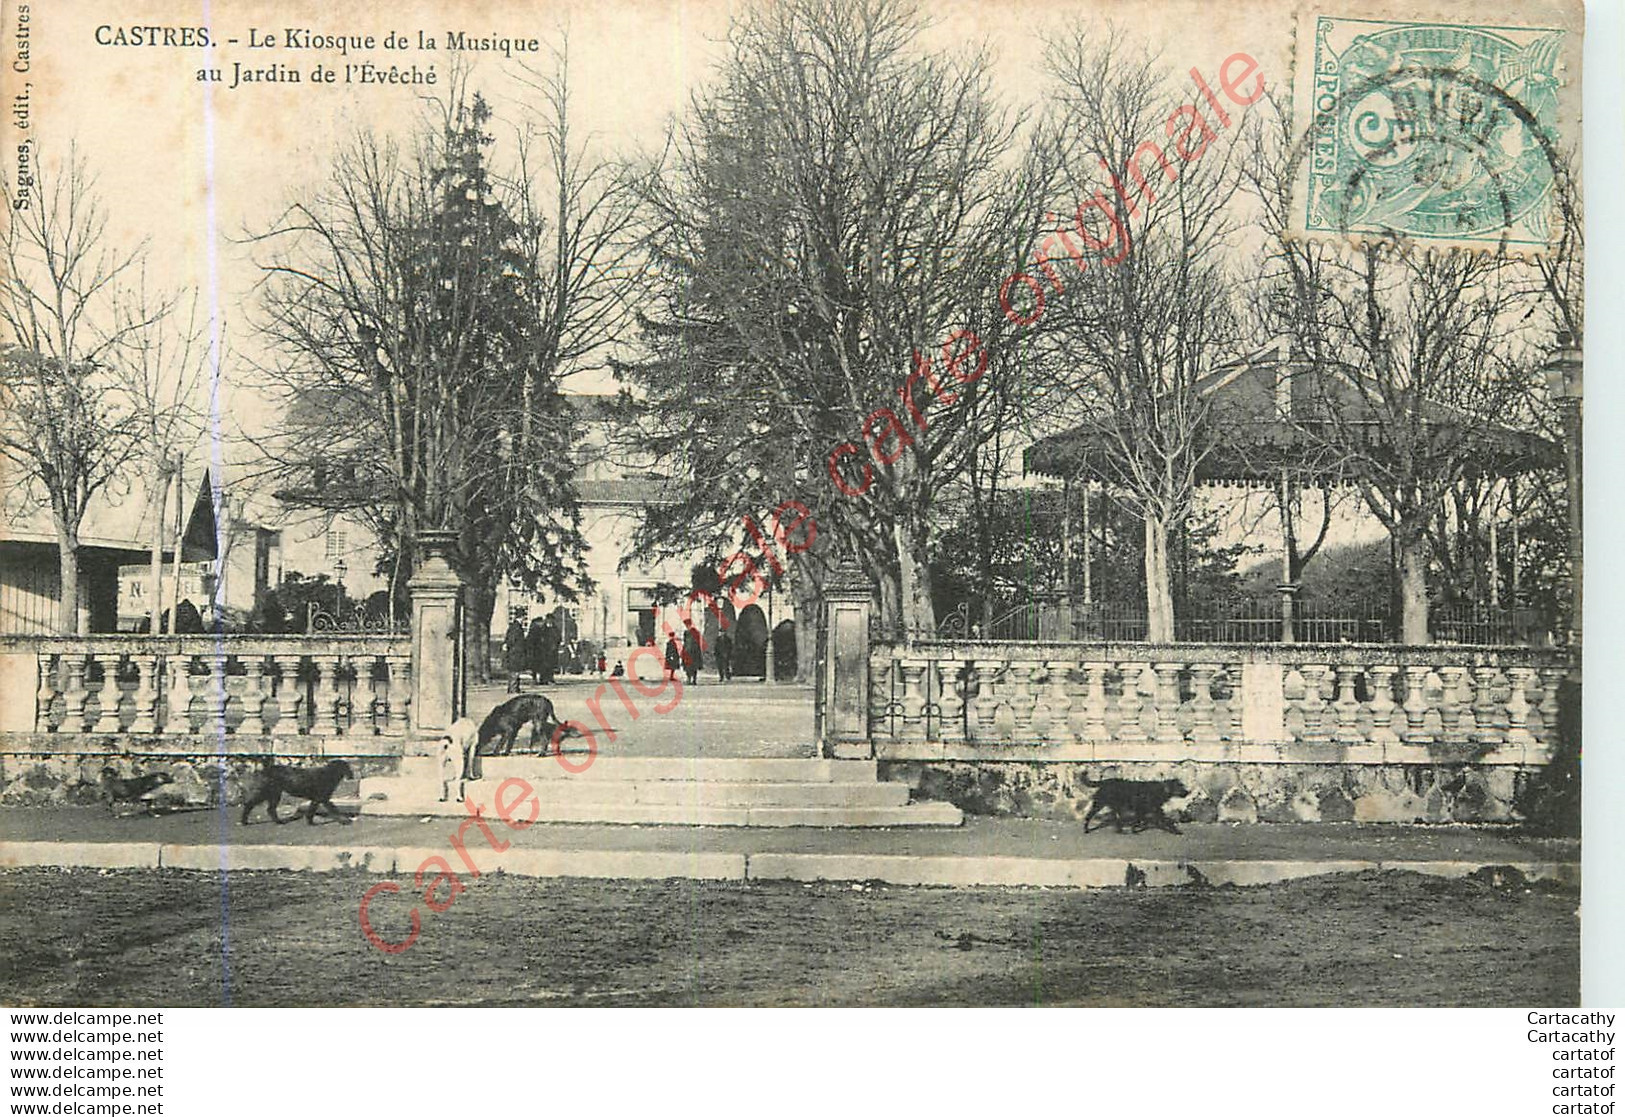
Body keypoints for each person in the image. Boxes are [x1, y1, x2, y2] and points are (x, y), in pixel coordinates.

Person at [502, 619, 527, 693]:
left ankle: (513, 688)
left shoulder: (514, 626)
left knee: (514, 670)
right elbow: (512, 639)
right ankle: (513, 689)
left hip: (514, 652)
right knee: (515, 670)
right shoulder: (516, 627)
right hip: (515, 652)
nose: (523, 620)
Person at [526, 617, 547, 685]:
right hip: (536, 651)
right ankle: (535, 679)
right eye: (541, 622)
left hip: (538, 651)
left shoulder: (540, 629)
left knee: (538, 666)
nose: (542, 623)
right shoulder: (535, 630)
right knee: (536, 666)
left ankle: (538, 679)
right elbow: (531, 641)